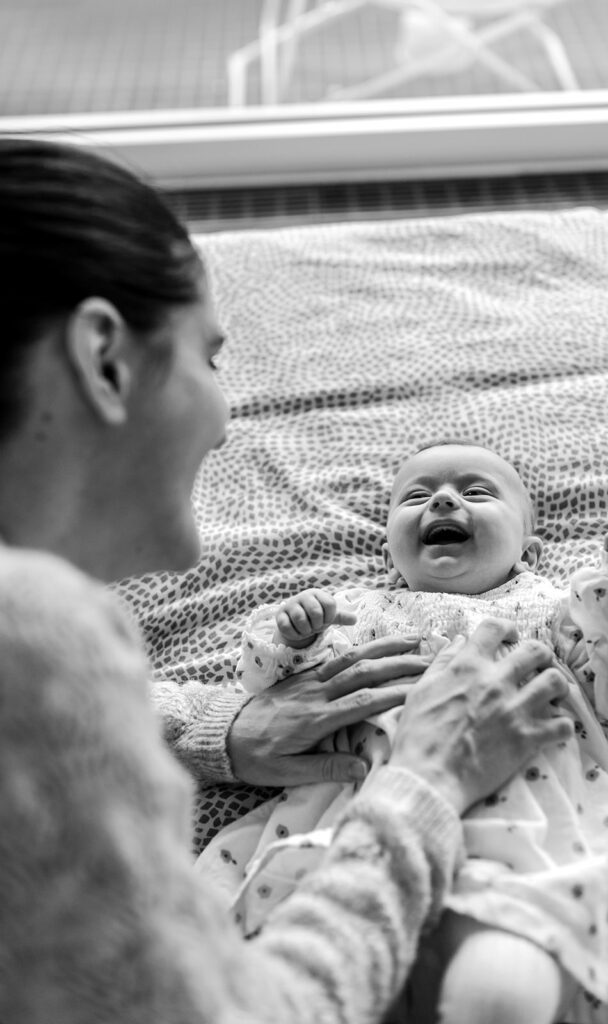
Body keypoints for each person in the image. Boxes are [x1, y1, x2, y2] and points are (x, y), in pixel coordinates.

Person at [0, 138, 573, 1024]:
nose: (227, 420)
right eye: (211, 359)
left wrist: (218, 728)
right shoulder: (40, 634)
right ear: (104, 358)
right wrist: (424, 781)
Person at [198, 441, 608, 1024]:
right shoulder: (357, 613)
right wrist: (296, 640)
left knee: (503, 980)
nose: (445, 499)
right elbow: (272, 693)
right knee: (320, 952)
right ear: (387, 554)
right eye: (417, 497)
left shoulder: (555, 612)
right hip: (361, 809)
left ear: (527, 552)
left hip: (527, 819)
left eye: (475, 492)